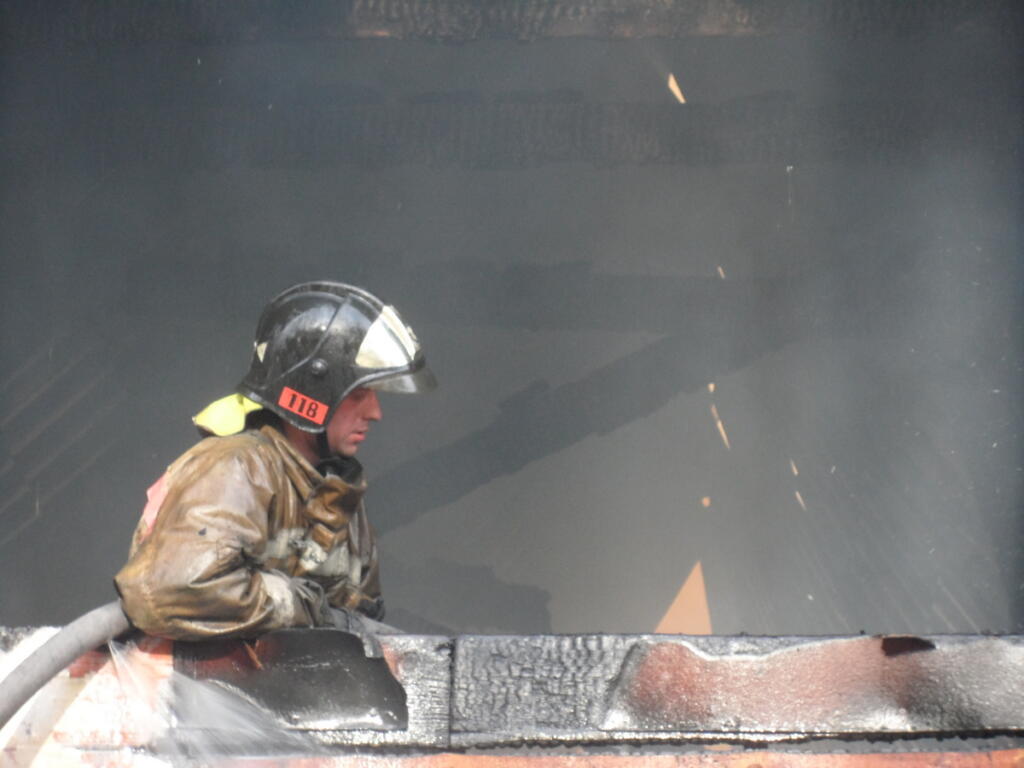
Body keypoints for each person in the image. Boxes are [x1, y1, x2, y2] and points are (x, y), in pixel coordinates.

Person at [114, 281, 435, 641]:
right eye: (359, 394)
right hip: (192, 692)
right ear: (313, 392)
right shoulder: (236, 469)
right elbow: (170, 590)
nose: (375, 413)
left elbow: (363, 624)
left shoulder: (341, 498)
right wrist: (302, 606)